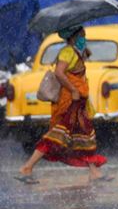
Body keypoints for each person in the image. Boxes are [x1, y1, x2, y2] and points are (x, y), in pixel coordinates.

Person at [16, 26, 111, 184]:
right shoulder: (67, 52)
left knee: (84, 136)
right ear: (73, 37)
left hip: (78, 103)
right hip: (69, 103)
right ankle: (27, 167)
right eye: (82, 36)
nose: (84, 38)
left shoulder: (76, 52)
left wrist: (82, 53)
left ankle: (94, 172)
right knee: (57, 136)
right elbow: (59, 73)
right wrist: (73, 89)